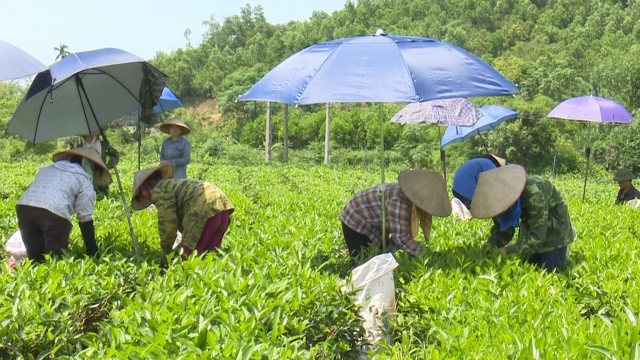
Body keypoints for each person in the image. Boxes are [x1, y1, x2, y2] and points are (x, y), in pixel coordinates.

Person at [452, 158, 575, 272]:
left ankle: (564, 256)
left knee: (550, 271)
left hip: (555, 235)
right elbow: (504, 230)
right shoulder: (498, 198)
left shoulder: (534, 189)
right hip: (530, 231)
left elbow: (537, 237)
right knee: (527, 267)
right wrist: (489, 248)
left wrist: (505, 251)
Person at [16, 147, 112, 262]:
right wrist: (93, 251)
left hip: (24, 209)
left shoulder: (47, 169)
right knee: (57, 263)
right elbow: (85, 218)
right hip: (53, 214)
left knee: (36, 260)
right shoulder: (84, 180)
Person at [130, 165, 235, 266]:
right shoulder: (171, 184)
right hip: (222, 207)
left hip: (203, 210)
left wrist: (166, 254)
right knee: (210, 256)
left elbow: (168, 225)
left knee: (187, 260)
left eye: (141, 193)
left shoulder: (160, 190)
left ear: (144, 188)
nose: (144, 195)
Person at [340, 170, 452, 262]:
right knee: (363, 262)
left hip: (375, 224)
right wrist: (427, 254)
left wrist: (387, 253)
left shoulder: (411, 203)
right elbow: (401, 238)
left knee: (378, 258)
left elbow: (399, 236)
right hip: (355, 220)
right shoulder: (399, 201)